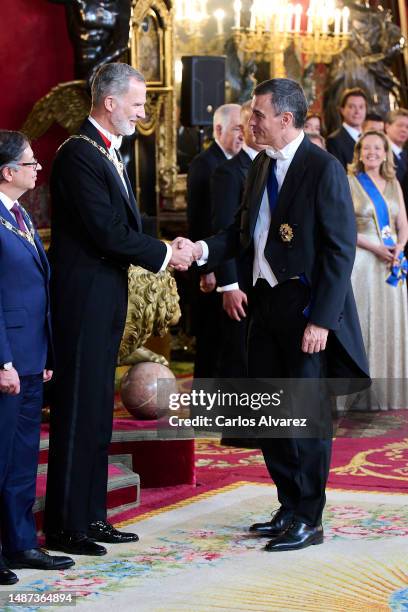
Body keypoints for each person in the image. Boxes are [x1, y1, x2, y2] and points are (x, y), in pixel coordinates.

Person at [189, 78, 369, 551]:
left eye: (258, 115)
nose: (251, 123)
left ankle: (310, 517)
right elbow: (239, 232)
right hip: (263, 306)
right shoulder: (259, 166)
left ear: (285, 120)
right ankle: (288, 506)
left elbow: (338, 250)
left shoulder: (322, 168)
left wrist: (323, 320)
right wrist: (203, 248)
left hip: (305, 307)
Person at [44, 62, 194, 556]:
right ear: (109, 103)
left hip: (105, 298)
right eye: (137, 104)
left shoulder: (105, 151)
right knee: (77, 413)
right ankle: (67, 525)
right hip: (82, 301)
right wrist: (165, 254)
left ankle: (92, 516)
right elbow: (106, 232)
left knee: (97, 413)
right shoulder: (77, 155)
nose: (142, 112)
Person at [0, 131, 74, 584]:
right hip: (6, 362)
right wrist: (2, 361)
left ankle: (22, 542)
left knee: (25, 457)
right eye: (30, 164)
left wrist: (43, 351)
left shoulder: (20, 213)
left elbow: (36, 290)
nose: (37, 169)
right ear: (7, 172)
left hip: (30, 358)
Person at [348, 130, 408, 408]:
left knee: (390, 323)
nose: (372, 152)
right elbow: (344, 226)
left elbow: (402, 224)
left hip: (392, 262)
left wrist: (400, 247)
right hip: (364, 261)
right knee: (364, 322)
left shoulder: (394, 183)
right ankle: (361, 395)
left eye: (377, 148)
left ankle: (390, 393)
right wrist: (376, 248)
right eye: (366, 148)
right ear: (359, 153)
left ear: (386, 153)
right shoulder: (350, 182)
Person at [187, 103, 243, 378]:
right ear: (219, 129)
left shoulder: (237, 161)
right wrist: (207, 270)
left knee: (225, 344)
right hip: (210, 268)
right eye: (237, 129)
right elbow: (199, 221)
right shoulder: (205, 164)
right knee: (210, 344)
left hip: (224, 262)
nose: (243, 135)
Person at [210, 101, 265, 377]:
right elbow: (224, 230)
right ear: (244, 129)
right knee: (237, 357)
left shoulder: (272, 166)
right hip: (240, 280)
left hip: (266, 280)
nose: (257, 126)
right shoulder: (228, 172)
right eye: (252, 121)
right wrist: (229, 285)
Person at [326, 88, 367, 169]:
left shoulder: (369, 138)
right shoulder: (334, 141)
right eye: (352, 107)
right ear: (342, 110)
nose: (357, 112)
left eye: (361, 107)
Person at [385, 109, 408, 219]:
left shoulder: (404, 155)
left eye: (407, 127)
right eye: (400, 125)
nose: (404, 130)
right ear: (387, 126)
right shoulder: (381, 154)